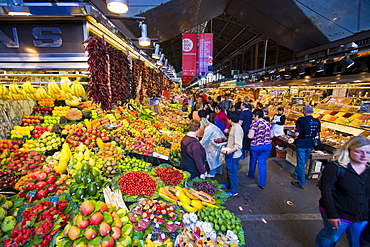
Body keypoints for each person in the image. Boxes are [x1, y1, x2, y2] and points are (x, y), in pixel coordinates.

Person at [316, 136, 370, 247]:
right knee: (331, 237)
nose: (364, 156)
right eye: (358, 151)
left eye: (368, 152)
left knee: (358, 242)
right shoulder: (335, 167)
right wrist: (332, 214)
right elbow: (326, 190)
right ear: (348, 150)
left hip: (362, 217)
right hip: (339, 214)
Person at [291, 105, 321, 189]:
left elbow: (297, 134)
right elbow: (318, 134)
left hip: (301, 143)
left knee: (301, 163)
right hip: (311, 144)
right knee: (303, 161)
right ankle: (296, 174)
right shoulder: (317, 121)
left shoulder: (301, 120)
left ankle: (301, 182)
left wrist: (294, 133)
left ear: (304, 111)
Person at [247, 109, 273, 189]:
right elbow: (271, 136)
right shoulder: (268, 123)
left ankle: (251, 174)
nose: (253, 117)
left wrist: (248, 134)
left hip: (256, 146)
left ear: (257, 115)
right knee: (262, 163)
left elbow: (251, 136)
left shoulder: (254, 124)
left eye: (253, 115)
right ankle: (261, 183)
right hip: (267, 145)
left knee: (253, 160)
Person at [220, 112, 244, 196]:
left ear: (230, 120)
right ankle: (227, 184)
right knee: (228, 170)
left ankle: (234, 191)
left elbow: (238, 145)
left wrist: (227, 152)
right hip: (230, 153)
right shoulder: (233, 127)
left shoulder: (237, 129)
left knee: (233, 173)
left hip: (234, 155)